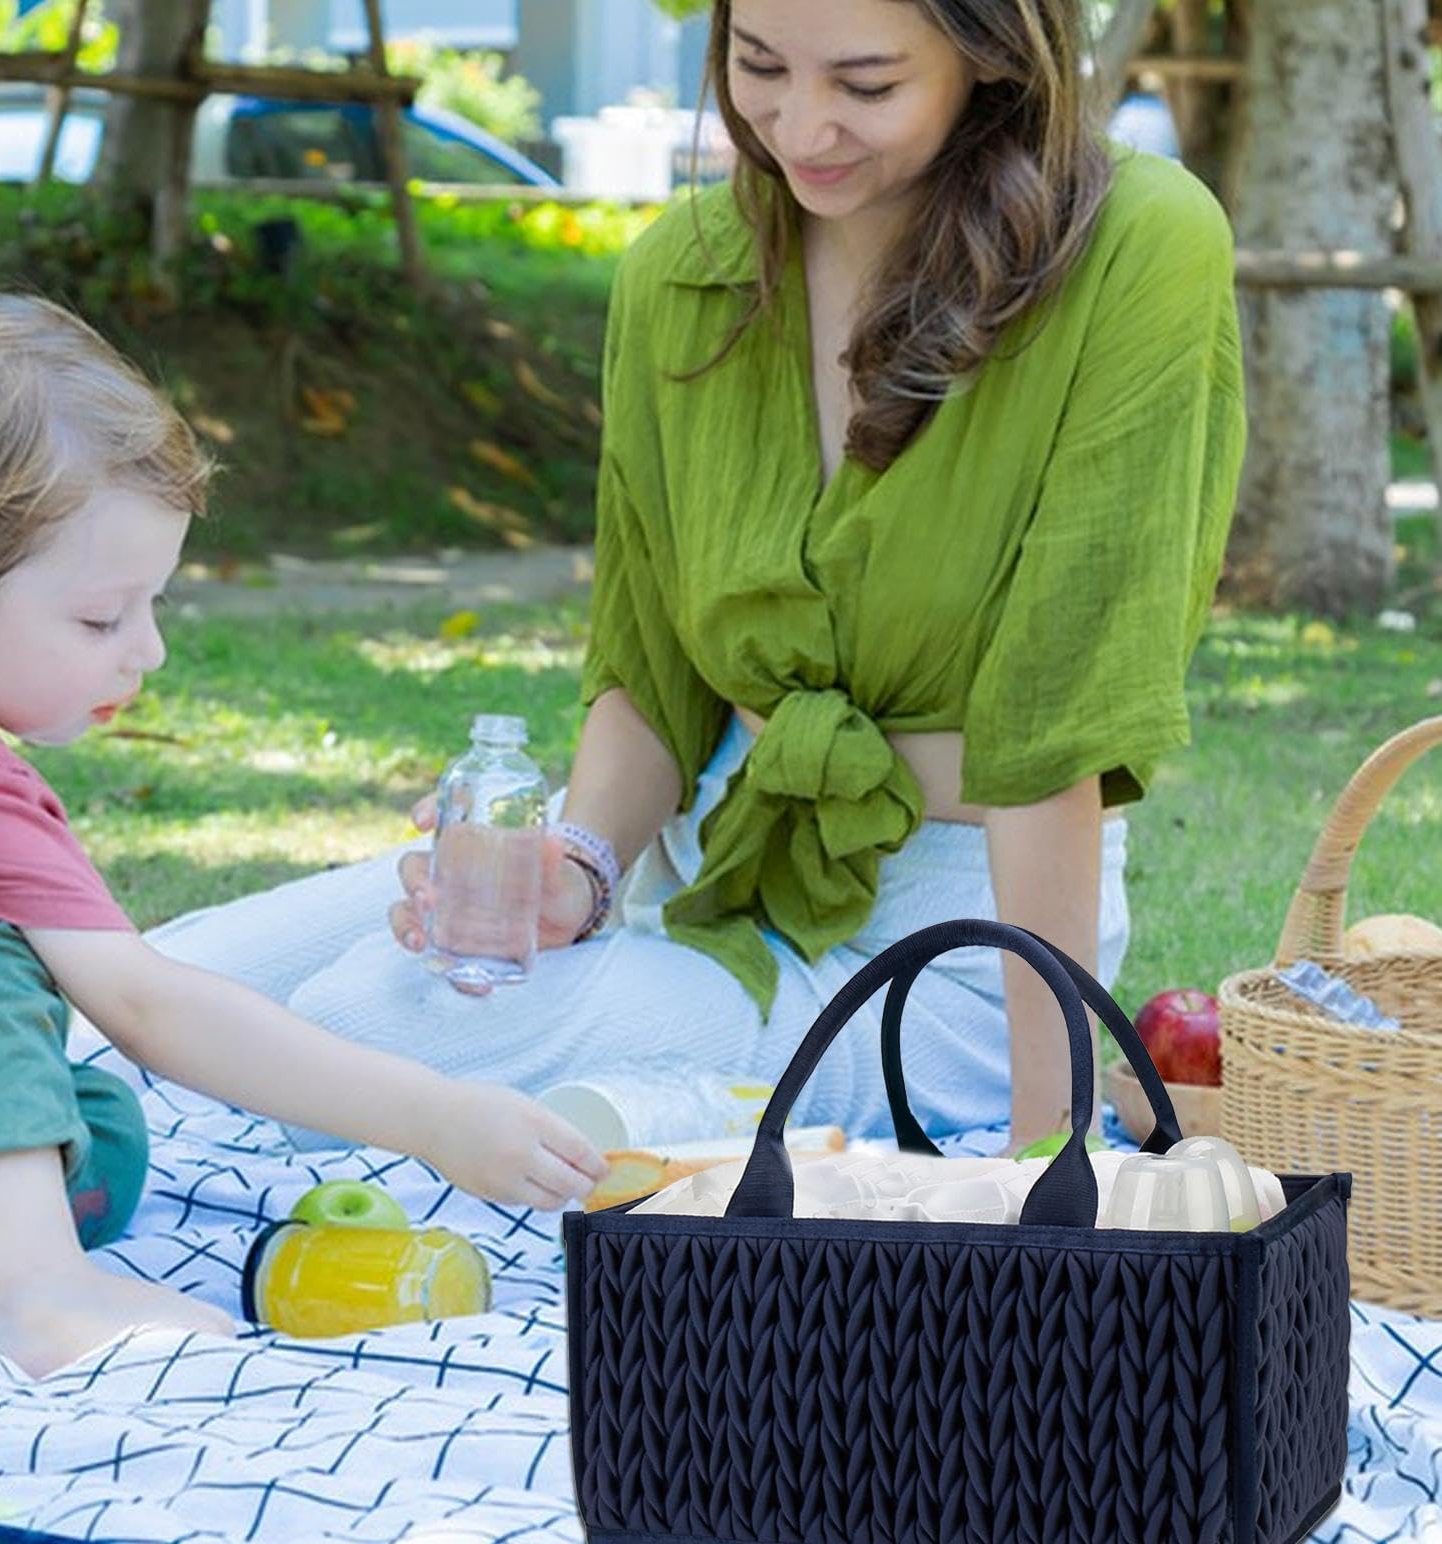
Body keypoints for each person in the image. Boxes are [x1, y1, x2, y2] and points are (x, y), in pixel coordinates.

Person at [96, 0, 1246, 1156]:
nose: (801, 126)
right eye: (757, 65)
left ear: (990, 60)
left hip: (953, 955)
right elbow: (651, 668)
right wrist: (579, 872)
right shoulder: (680, 272)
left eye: (865, 84)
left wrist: (1043, 1149)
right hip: (697, 862)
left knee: (350, 1021)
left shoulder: (1133, 245)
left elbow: (1057, 732)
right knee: (148, 984)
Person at [0, 295, 606, 1378]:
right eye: (101, 618)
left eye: (152, 604)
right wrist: (433, 1114)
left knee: (91, 1120)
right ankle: (27, 1292)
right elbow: (152, 1006)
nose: (143, 652)